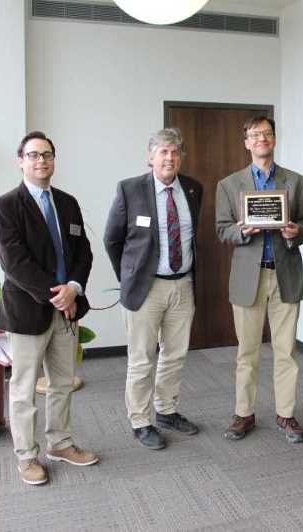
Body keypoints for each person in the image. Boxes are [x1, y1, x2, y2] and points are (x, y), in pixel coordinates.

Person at [0, 131, 98, 486]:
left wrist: (75, 289)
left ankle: (61, 443)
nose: (41, 161)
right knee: (23, 390)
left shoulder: (67, 203)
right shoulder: (4, 207)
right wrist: (58, 294)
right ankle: (26, 457)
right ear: (20, 160)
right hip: (28, 311)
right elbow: (15, 264)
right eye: (33, 155)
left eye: (47, 155)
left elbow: (83, 252)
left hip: (66, 310)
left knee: (62, 383)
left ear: (54, 159)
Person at [215, 116, 303, 443]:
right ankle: (244, 413)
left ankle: (286, 415)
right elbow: (222, 229)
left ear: (274, 139)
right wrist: (241, 230)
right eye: (255, 135)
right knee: (248, 351)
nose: (261, 139)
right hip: (248, 277)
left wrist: (296, 232)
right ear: (246, 142)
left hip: (285, 274)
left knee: (286, 351)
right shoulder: (230, 185)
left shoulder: (297, 182)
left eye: (267, 134)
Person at [103, 128, 203, 450]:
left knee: (174, 354)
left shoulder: (192, 189)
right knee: (142, 358)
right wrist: (132, 274)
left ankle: (167, 410)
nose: (169, 157)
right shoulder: (130, 189)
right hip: (146, 289)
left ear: (181, 157)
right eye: (163, 152)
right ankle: (140, 421)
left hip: (183, 285)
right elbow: (112, 239)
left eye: (175, 152)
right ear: (150, 157)